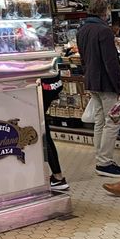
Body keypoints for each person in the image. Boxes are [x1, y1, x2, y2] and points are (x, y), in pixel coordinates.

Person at [76, 0, 120, 177]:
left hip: (92, 81)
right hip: (106, 83)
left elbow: (83, 58)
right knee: (113, 121)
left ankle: (100, 158)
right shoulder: (104, 31)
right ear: (106, 11)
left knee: (100, 121)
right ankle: (104, 163)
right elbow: (111, 62)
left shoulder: (83, 30)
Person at [41, 59, 69, 191]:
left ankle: (58, 177)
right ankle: (57, 176)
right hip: (51, 81)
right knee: (43, 129)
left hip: (40, 83)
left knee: (42, 131)